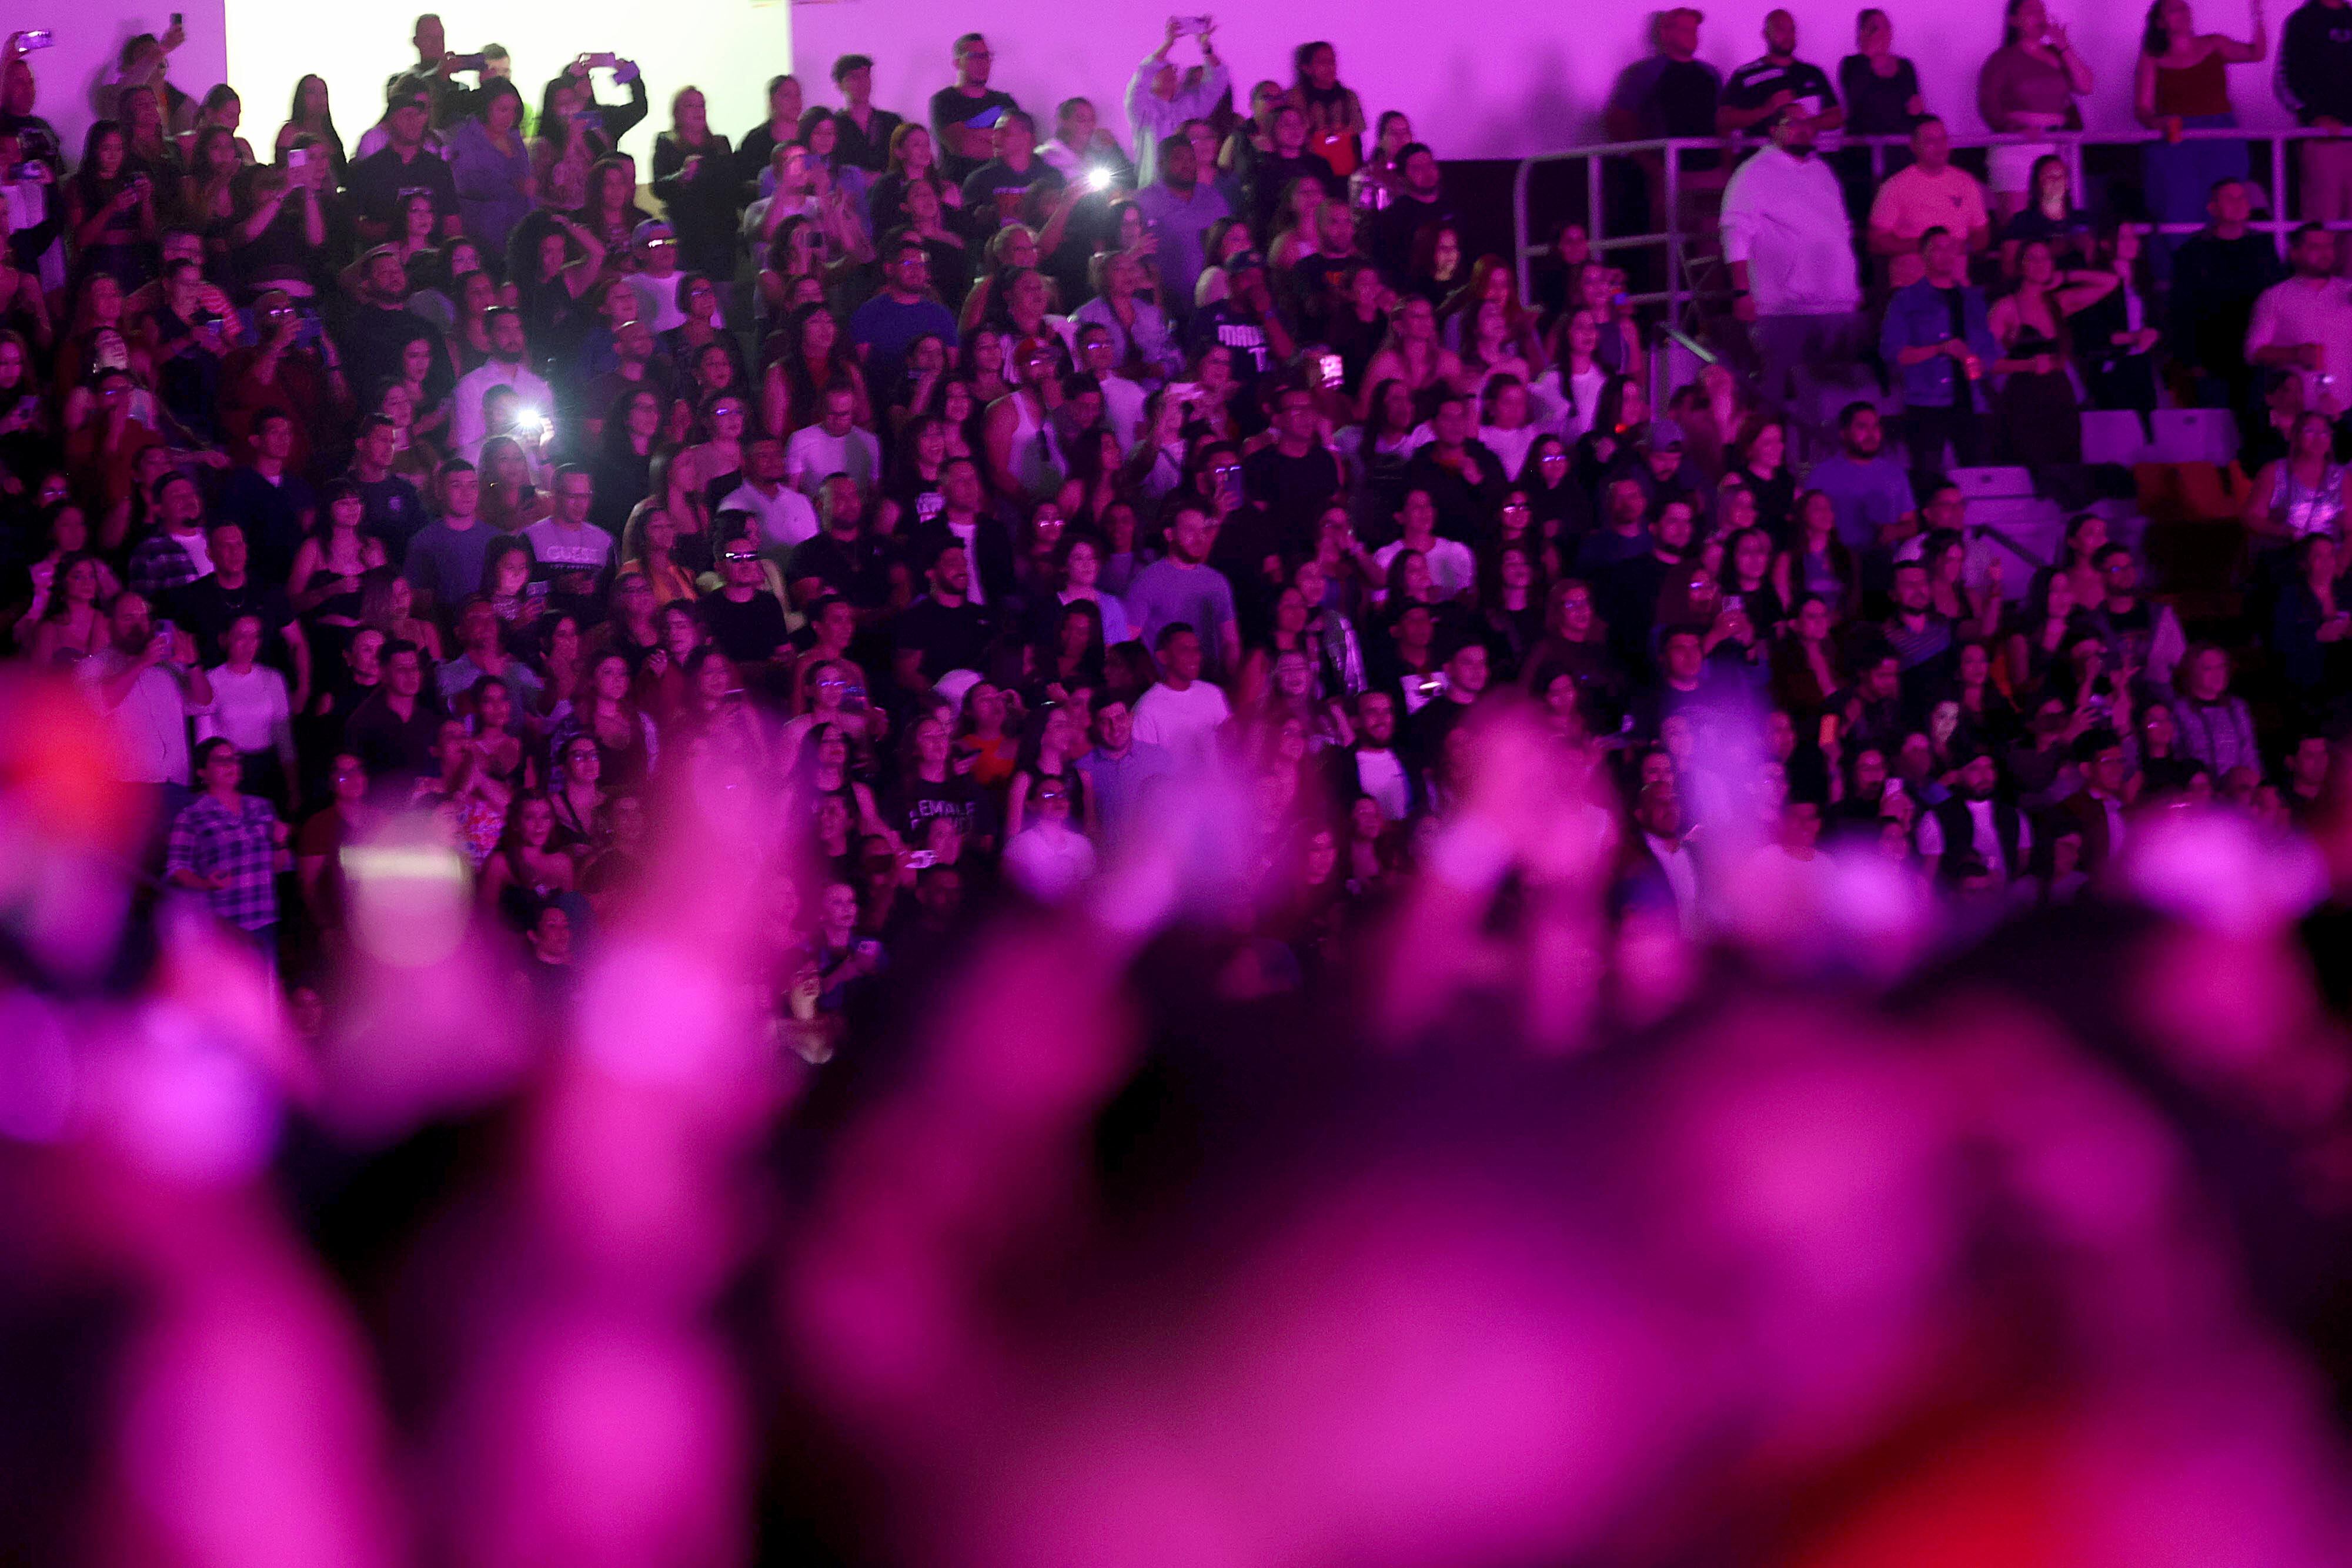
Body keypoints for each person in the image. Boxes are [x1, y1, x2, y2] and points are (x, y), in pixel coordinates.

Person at [1720, 108, 1867, 433]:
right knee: (1772, 400)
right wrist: (1742, 291)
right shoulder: (1754, 173)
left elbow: (1841, 230)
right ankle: (1765, 468)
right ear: (1774, 130)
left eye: (1809, 122)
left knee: (1833, 401)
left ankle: (1823, 467)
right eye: (1794, 123)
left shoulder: (1823, 173)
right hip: (1782, 309)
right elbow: (1735, 232)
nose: (1804, 129)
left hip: (1835, 308)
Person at [2134, 0, 2266, 279]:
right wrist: (2161, 122)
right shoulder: (2153, 56)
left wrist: (2257, 15)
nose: (2182, 14)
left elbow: (2256, 54)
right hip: (2178, 143)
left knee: (2228, 205)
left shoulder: (2214, 43)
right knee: (2178, 211)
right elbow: (2143, 109)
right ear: (2160, 22)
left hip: (2220, 138)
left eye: (2184, 8)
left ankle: (2232, 273)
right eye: (2173, 10)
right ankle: (2181, 278)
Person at [1882, 227, 2000, 474]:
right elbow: (1894, 353)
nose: (1946, 255)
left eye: (1951, 249)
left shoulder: (1972, 299)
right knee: (1928, 476)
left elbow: (1989, 348)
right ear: (1923, 254)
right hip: (1927, 402)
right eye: (1937, 249)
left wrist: (1983, 363)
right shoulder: (1907, 300)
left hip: (1971, 400)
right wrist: (1940, 349)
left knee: (1978, 477)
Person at [2170, 176, 2285, 422]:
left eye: (2242, 197)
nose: (2238, 203)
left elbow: (2278, 299)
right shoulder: (2193, 252)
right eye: (2229, 198)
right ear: (2213, 208)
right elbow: (2181, 310)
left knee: (2257, 425)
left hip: (2256, 357)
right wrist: (2191, 361)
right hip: (2211, 359)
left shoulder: (2263, 247)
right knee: (2215, 429)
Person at [1976, 0, 2095, 222]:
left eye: (2042, 11)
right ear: (2014, 21)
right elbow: (1989, 104)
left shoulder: (2056, 55)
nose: (2039, 16)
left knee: (2057, 222)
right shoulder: (2002, 59)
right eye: (2031, 11)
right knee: (2017, 225)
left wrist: (2064, 45)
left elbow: (2086, 86)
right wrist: (2015, 129)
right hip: (2018, 145)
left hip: (2057, 144)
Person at [165, 736, 287, 953]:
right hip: (222, 924)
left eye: (234, 759)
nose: (231, 765)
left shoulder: (261, 807)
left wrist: (280, 844)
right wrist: (205, 883)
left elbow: (277, 867)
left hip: (264, 920)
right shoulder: (192, 815)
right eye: (221, 761)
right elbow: (176, 868)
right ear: (202, 772)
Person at [1866, 118, 1991, 289]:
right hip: (1911, 288)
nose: (1940, 147)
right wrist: (1924, 246)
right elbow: (1876, 241)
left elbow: (1981, 234)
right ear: (1914, 146)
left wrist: (1964, 246)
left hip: (1956, 287)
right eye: (1931, 141)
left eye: (1943, 140)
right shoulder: (1895, 186)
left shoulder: (1966, 182)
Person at [1124, 503, 1242, 682]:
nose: (1200, 537)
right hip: (1166, 686)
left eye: (1203, 531)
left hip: (1209, 685)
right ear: (1170, 534)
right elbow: (1128, 640)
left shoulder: (1217, 581)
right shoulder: (1147, 581)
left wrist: (1233, 680)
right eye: (1190, 530)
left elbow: (1230, 641)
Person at [2247, 221, 2352, 418]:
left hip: (2347, 410)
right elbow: (2253, 352)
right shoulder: (2275, 297)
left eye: (2328, 246)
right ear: (2295, 253)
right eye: (2315, 247)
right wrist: (2295, 354)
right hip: (2298, 416)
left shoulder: (2347, 292)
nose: (2324, 253)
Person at [1134, 132, 1235, 327]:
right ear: (1161, 164)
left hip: (1214, 301)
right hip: (1165, 304)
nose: (1187, 164)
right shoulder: (1144, 201)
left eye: (1191, 158)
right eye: (1178, 159)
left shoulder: (1213, 197)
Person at [2281, 0, 2352, 272]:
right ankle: (2317, 302)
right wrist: (2313, 117)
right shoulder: (2302, 20)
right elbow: (2283, 80)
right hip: (2323, 140)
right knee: (2323, 226)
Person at [1126, 18, 1229, 189]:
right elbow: (1143, 74)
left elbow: (1217, 82)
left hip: (1191, 190)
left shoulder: (1189, 107)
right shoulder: (1141, 107)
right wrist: (1168, 43)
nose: (1170, 73)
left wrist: (1206, 47)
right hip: (1155, 189)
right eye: (1162, 69)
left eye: (1173, 69)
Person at [1718, 9, 1844, 135]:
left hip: (1805, 154)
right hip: (1760, 153)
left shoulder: (1813, 73)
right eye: (1781, 29)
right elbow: (1723, 119)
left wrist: (1805, 124)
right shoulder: (1745, 75)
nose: (1788, 35)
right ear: (1766, 34)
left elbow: (1837, 117)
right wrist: (1766, 110)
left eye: (1792, 30)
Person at [930, 32, 1019, 185]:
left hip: (1004, 186)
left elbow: (1021, 144)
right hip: (961, 188)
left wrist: (976, 134)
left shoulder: (1005, 102)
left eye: (986, 56)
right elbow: (963, 145)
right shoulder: (945, 101)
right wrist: (1002, 141)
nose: (983, 63)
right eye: (974, 57)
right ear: (958, 63)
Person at [829, 55, 904, 174]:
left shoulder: (892, 122)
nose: (862, 83)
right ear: (839, 85)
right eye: (854, 78)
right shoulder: (833, 125)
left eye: (866, 76)